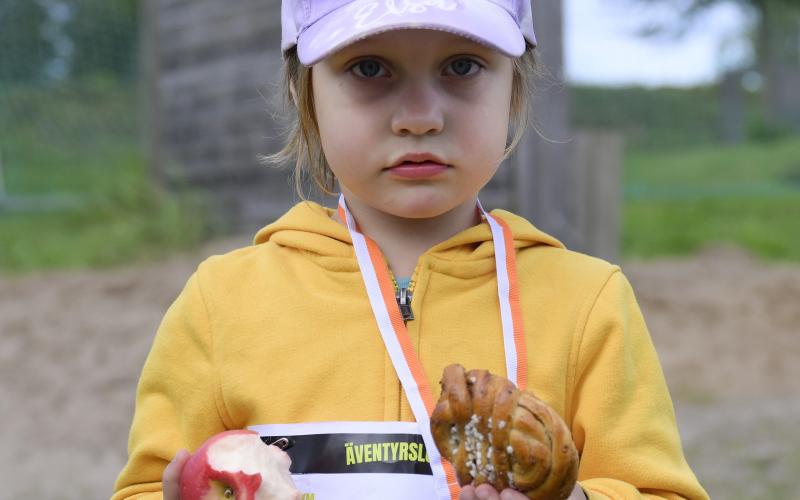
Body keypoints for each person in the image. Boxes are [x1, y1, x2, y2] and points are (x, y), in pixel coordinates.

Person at [113, 1, 709, 499]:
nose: (420, 117)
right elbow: (145, 485)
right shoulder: (222, 305)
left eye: (462, 66)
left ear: (515, 91)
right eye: (370, 68)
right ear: (307, 99)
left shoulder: (588, 302)